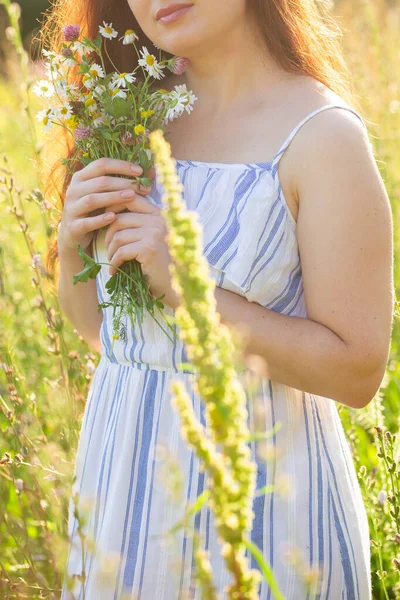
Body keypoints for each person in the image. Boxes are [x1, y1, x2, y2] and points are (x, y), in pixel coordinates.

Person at [44, 0, 394, 598]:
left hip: (265, 506)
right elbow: (108, 340)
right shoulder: (129, 111)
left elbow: (358, 371)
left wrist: (190, 288)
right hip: (120, 486)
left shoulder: (322, 136)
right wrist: (73, 242)